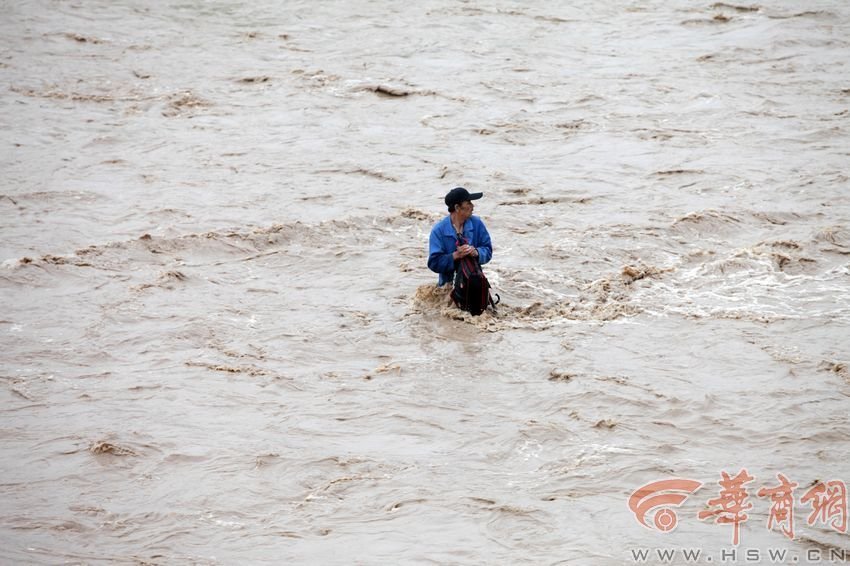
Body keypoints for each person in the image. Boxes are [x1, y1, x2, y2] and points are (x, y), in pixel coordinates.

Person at [428, 187, 493, 287]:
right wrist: (456, 255)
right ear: (457, 208)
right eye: (469, 203)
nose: (472, 206)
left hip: (474, 284)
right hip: (447, 287)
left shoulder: (477, 223)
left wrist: (476, 252)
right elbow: (434, 263)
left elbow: (488, 250)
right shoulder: (438, 231)